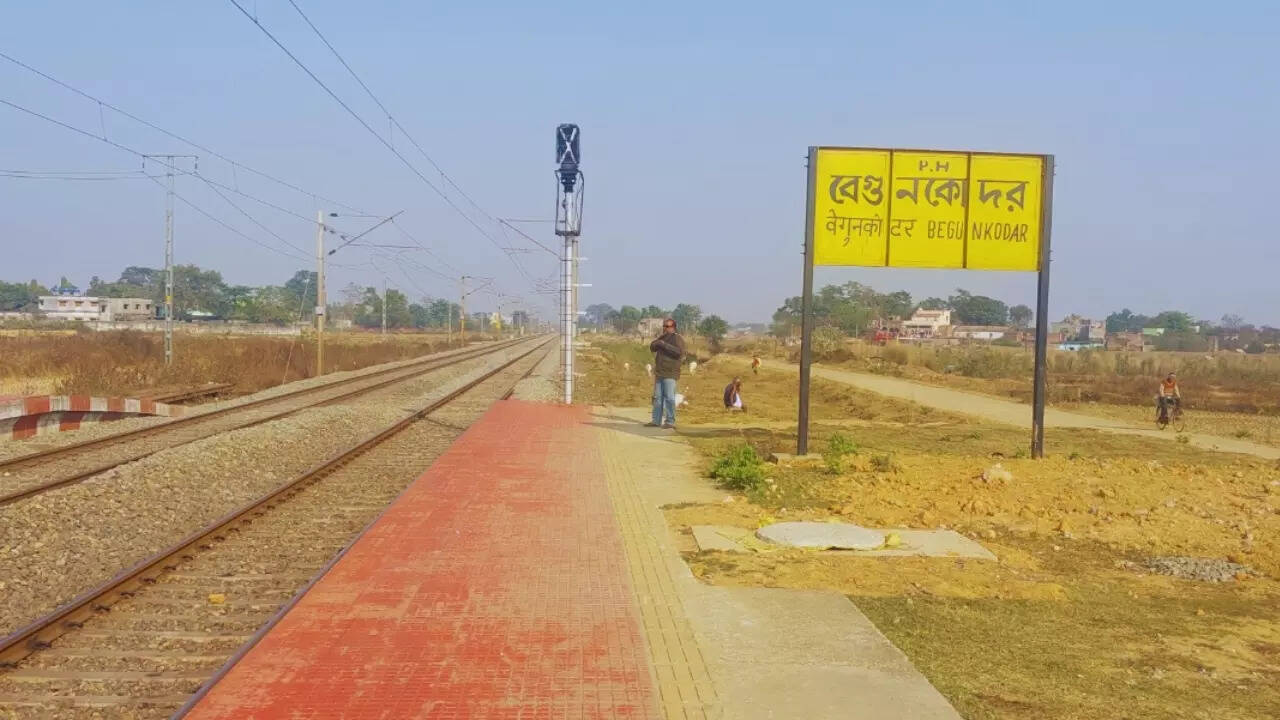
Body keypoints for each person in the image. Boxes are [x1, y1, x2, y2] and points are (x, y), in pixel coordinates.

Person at [647, 318, 685, 428]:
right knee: (657, 397)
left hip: (670, 373)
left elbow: (679, 352)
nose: (665, 328)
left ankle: (670, 421)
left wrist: (664, 345)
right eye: (664, 326)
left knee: (669, 397)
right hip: (660, 372)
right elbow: (652, 348)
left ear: (673, 327)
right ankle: (656, 420)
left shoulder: (677, 338)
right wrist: (657, 343)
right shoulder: (662, 337)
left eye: (667, 326)